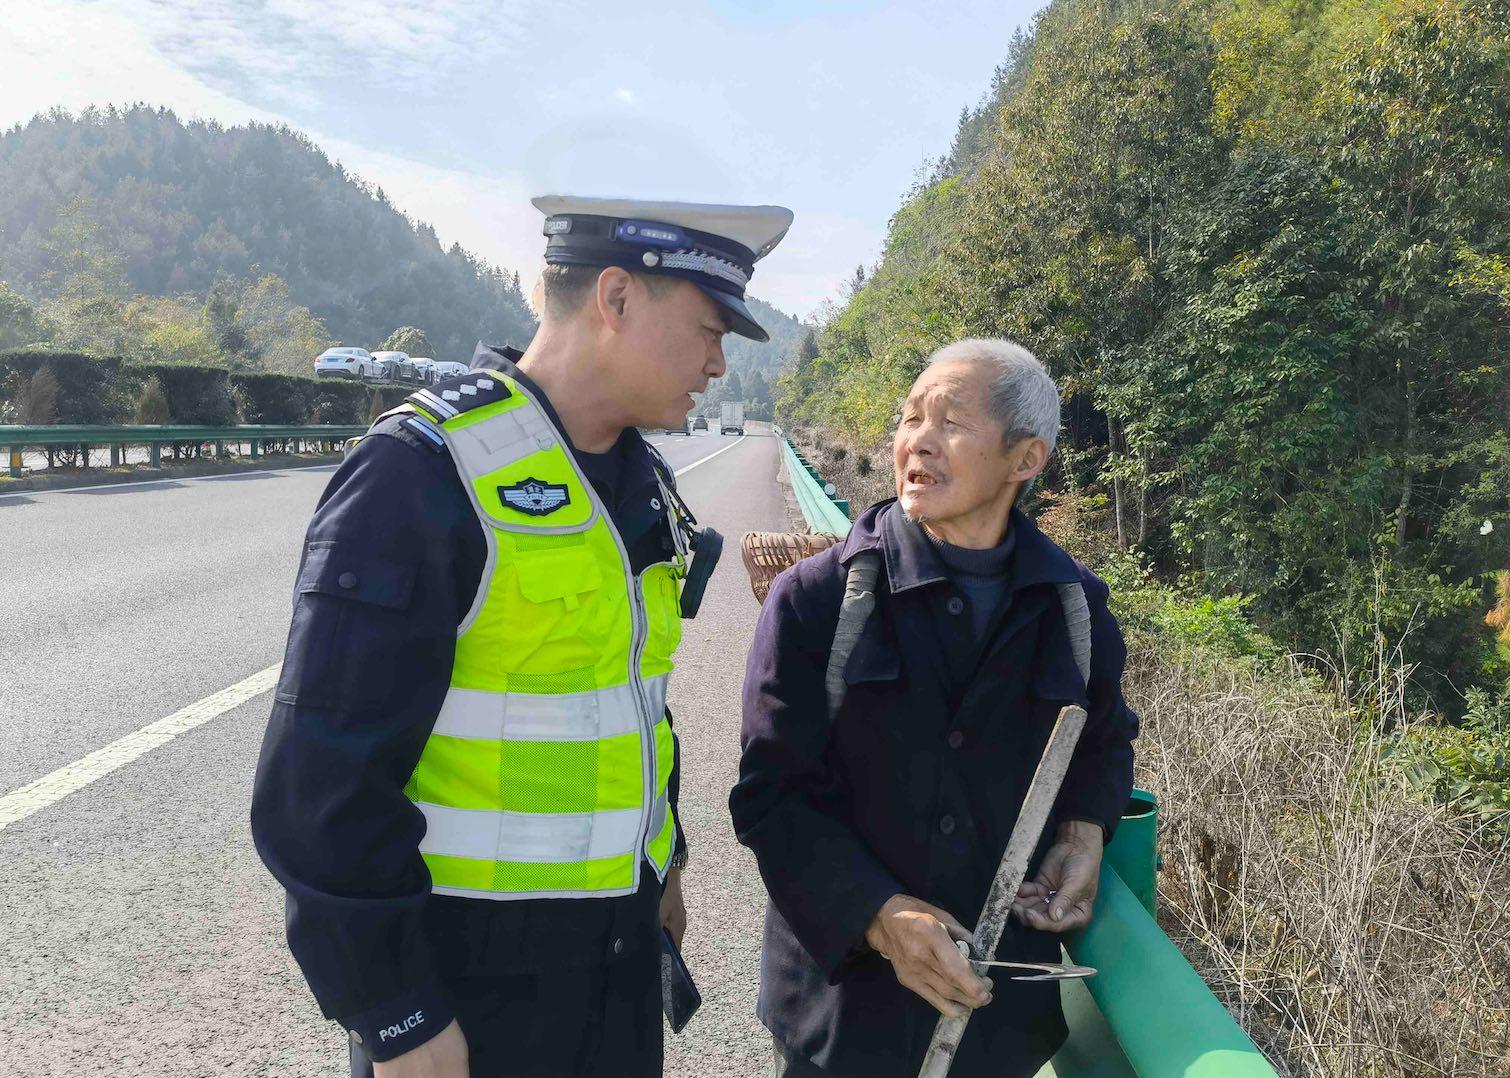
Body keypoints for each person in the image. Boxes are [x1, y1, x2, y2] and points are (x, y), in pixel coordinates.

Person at [251, 195, 793, 1078]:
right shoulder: (424, 472)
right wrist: (397, 1015)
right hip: (466, 995)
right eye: (707, 328)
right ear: (615, 298)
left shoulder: (641, 483)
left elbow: (629, 704)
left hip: (614, 969)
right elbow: (319, 788)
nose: (718, 363)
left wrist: (667, 863)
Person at [730, 339, 1140, 1077]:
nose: (917, 438)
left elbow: (1105, 743)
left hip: (996, 1025)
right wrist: (880, 917)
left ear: (1025, 460)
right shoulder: (818, 601)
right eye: (910, 417)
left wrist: (1085, 831)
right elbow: (771, 798)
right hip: (844, 1016)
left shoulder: (1074, 609)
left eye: (950, 421)